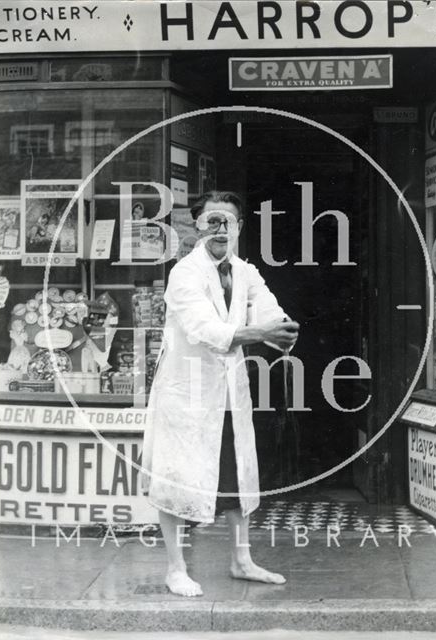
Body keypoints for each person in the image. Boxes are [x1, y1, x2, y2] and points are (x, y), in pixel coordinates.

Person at [142, 190, 299, 597]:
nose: (220, 229)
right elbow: (206, 330)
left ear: (239, 228)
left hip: (228, 392)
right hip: (185, 392)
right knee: (177, 475)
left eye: (227, 221)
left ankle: (241, 560)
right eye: (211, 220)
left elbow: (266, 308)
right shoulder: (184, 273)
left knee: (236, 473)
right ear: (197, 226)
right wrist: (262, 334)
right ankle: (175, 568)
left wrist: (280, 327)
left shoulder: (245, 271)